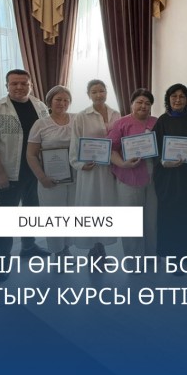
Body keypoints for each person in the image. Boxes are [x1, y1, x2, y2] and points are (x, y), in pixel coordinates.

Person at [0, 69, 50, 278]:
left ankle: (28, 247)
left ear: (30, 85)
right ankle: (3, 260)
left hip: (36, 172)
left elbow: (48, 135)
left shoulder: (40, 106)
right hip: (10, 173)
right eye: (14, 83)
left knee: (31, 213)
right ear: (7, 86)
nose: (19, 87)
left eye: (23, 83)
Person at [153, 84, 187, 267]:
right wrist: (163, 161)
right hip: (169, 178)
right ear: (168, 99)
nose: (178, 99)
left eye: (182, 96)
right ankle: (174, 255)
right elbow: (154, 149)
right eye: (174, 96)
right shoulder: (162, 121)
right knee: (171, 214)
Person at [70, 79, 120, 263]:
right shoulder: (82, 116)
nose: (98, 95)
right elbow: (75, 143)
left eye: (101, 91)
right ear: (89, 95)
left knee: (107, 207)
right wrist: (79, 164)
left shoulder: (116, 114)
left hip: (111, 169)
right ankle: (93, 249)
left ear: (106, 92)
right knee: (91, 207)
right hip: (90, 170)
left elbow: (121, 140)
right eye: (94, 92)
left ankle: (102, 247)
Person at [26, 86, 75, 263]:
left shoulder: (77, 120)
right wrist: (42, 178)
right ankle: (57, 252)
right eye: (58, 100)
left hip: (76, 178)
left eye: (66, 100)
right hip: (51, 179)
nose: (62, 103)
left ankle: (67, 248)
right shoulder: (40, 124)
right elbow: (31, 155)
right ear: (50, 102)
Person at [108, 88, 158, 257]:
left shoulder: (157, 122)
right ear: (131, 104)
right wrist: (123, 164)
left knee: (152, 220)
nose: (143, 106)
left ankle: (151, 254)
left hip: (153, 179)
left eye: (147, 103)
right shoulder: (121, 123)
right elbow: (110, 149)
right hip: (129, 177)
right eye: (139, 102)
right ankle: (133, 260)